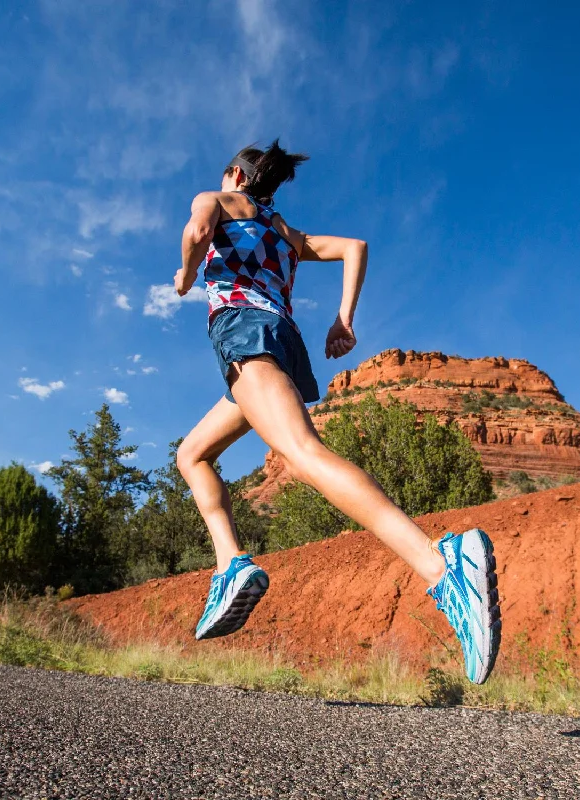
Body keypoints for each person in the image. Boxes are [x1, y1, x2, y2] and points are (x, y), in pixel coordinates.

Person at [174, 140, 501, 683]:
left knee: (302, 453)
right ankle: (231, 564)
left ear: (236, 174)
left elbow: (198, 230)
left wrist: (186, 274)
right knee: (193, 454)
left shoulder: (216, 198)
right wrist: (343, 320)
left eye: (226, 175)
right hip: (278, 341)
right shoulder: (285, 233)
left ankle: (443, 568)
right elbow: (355, 247)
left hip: (244, 332)